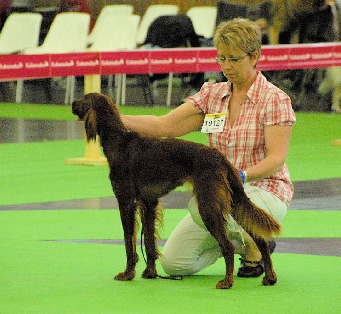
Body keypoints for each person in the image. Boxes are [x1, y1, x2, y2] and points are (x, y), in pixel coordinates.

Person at [121, 18, 296, 278]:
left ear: (254, 57)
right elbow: (164, 125)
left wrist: (242, 175)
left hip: (264, 189)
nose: (227, 67)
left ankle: (255, 248)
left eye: (235, 59)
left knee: (205, 208)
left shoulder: (275, 99)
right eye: (222, 59)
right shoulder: (211, 95)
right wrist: (114, 119)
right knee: (173, 264)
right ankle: (247, 242)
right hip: (220, 188)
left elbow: (277, 159)